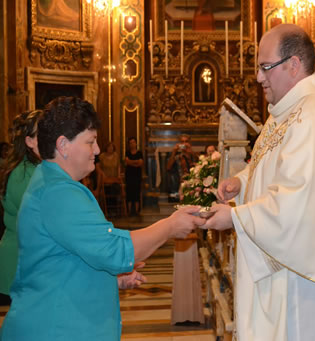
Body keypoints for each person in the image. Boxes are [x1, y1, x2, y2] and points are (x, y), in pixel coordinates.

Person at [204, 23, 315, 340]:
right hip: (291, 269)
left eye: (265, 67)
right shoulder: (287, 112)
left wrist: (235, 216)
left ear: (293, 65)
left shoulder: (313, 118)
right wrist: (242, 183)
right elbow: (279, 168)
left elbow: (299, 202)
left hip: (307, 280)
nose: (259, 77)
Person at [0, 96, 205, 340]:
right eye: (91, 141)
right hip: (54, 328)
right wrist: (171, 225)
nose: (96, 150)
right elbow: (115, 250)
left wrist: (108, 280)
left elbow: (70, 255)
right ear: (63, 145)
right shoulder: (58, 193)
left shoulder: (54, 182)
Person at [0, 110, 43, 306]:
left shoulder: (35, 169)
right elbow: (40, 219)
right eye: (42, 132)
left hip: (27, 262)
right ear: (29, 141)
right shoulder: (24, 173)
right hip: (16, 263)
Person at [166, 134, 197, 202]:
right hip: (178, 182)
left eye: (186, 141)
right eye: (182, 142)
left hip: (192, 182)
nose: (184, 144)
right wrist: (174, 151)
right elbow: (168, 167)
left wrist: (191, 151)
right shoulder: (176, 154)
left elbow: (198, 164)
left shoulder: (192, 153)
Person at [125, 137, 143, 216]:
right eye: (130, 143)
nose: (132, 144)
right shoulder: (127, 152)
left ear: (136, 143)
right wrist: (135, 162)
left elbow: (140, 163)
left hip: (137, 176)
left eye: (133, 142)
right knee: (129, 193)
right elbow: (127, 162)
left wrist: (131, 162)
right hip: (129, 175)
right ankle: (128, 211)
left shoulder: (139, 153)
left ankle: (136, 211)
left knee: (136, 193)